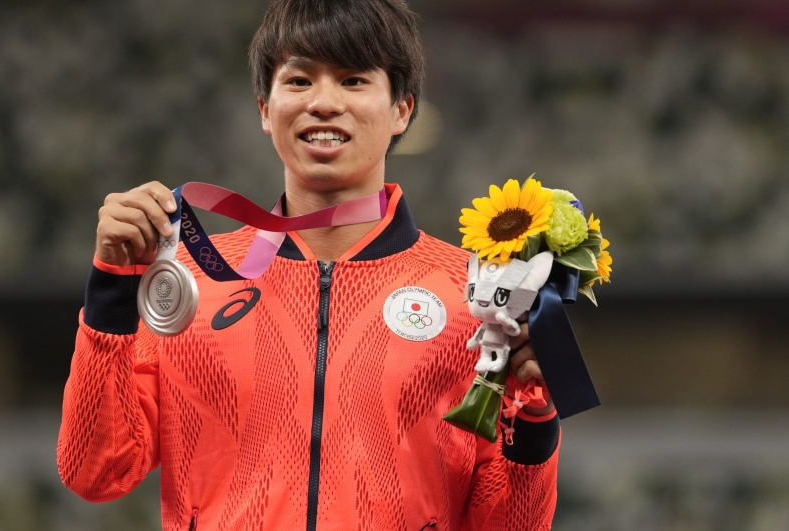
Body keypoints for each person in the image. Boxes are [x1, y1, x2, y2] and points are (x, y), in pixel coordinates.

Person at [58, 0, 561, 529]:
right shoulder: (187, 282)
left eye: (352, 81)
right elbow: (95, 472)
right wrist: (112, 293)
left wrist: (534, 420)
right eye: (299, 80)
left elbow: (510, 525)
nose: (323, 103)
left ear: (402, 110)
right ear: (264, 108)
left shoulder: (478, 298)